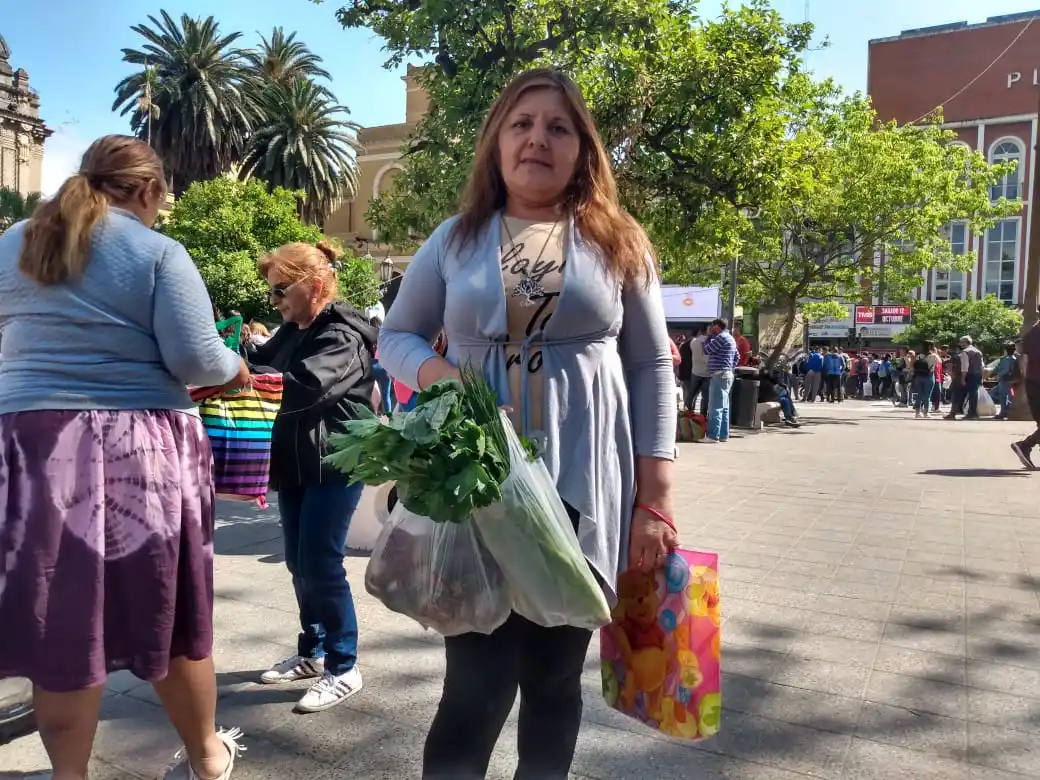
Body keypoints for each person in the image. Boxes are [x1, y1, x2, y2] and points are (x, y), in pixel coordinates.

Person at [375, 69, 678, 779]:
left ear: (582, 151)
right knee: (475, 688)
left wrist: (655, 498)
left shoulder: (618, 241)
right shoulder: (456, 239)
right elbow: (397, 336)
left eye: (558, 127)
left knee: (552, 681)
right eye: (521, 124)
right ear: (496, 143)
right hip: (481, 489)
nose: (537, 138)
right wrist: (444, 376)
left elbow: (650, 366)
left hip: (582, 489)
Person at [0, 136, 248, 780]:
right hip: (141, 446)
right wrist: (236, 365)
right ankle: (207, 759)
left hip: (32, 444)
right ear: (147, 191)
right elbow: (196, 359)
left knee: (62, 619)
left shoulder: (15, 241)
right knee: (168, 614)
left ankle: (69, 775)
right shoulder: (158, 252)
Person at [251, 240, 378, 713]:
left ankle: (344, 666)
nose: (275, 301)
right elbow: (263, 364)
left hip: (335, 463)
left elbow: (304, 388)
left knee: (321, 564)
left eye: (282, 289)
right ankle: (314, 650)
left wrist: (244, 380)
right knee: (298, 562)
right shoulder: (293, 328)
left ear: (316, 285)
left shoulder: (343, 333)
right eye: (272, 293)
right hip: (296, 462)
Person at [703, 317, 739, 442]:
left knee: (715, 407)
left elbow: (706, 350)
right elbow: (737, 356)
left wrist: (708, 337)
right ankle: (723, 435)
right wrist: (729, 367)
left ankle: (713, 436)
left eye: (713, 326)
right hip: (727, 374)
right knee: (724, 407)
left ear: (717, 326)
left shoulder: (720, 337)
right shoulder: (731, 338)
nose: (711, 329)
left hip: (719, 374)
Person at [1012, 316, 1040, 469]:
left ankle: (1025, 446)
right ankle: (1025, 445)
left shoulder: (1030, 334)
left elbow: (1024, 362)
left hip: (1032, 383)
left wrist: (1026, 381)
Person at [679, 325, 710, 414]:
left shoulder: (693, 343)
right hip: (707, 373)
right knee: (705, 396)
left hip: (694, 372)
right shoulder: (710, 342)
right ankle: (703, 416)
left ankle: (689, 413)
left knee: (691, 394)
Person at [958, 336, 984, 420]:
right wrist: (982, 377)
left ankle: (971, 413)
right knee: (974, 394)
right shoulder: (978, 352)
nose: (960, 344)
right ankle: (973, 412)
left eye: (961, 342)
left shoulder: (965, 352)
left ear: (966, 342)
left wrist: (962, 378)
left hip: (970, 374)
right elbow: (982, 366)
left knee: (971, 394)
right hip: (977, 374)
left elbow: (965, 367)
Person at [993, 342, 1020, 420]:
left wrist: (998, 375)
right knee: (1010, 396)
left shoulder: (1006, 359)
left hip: (1005, 379)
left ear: (1006, 350)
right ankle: (1007, 410)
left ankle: (1003, 412)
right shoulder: (1015, 358)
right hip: (1013, 380)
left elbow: (1005, 370)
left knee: (1002, 397)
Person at [912, 342, 938, 418]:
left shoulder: (919, 355)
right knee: (927, 395)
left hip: (919, 376)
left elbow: (914, 365)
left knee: (919, 394)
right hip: (929, 376)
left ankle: (917, 413)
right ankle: (926, 412)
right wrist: (935, 352)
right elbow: (939, 362)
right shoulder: (933, 356)